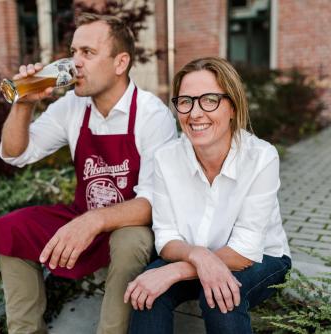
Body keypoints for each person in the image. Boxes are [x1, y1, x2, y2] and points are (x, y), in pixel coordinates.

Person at [0, 13, 177, 334]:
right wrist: (24, 104)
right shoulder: (72, 106)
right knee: (11, 230)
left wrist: (93, 221)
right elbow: (16, 153)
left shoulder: (152, 114)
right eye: (74, 51)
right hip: (84, 215)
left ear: (121, 63)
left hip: (129, 223)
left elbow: (154, 203)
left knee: (131, 241)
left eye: (88, 53)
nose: (75, 62)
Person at [124, 57, 291, 334]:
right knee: (147, 293)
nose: (195, 113)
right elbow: (166, 237)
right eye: (186, 101)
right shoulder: (165, 158)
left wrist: (174, 271)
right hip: (189, 254)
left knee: (219, 298)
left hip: (262, 258)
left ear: (233, 107)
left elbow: (245, 250)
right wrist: (198, 256)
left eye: (209, 100)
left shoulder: (261, 157)